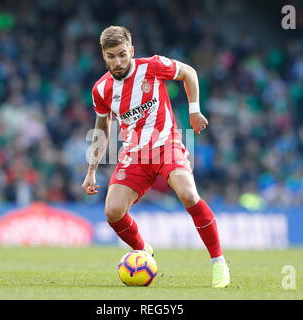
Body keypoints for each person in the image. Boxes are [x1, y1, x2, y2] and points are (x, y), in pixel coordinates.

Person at [81, 26, 230, 288]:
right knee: (113, 212)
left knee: (188, 195)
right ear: (103, 56)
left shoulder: (152, 66)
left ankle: (218, 263)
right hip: (134, 154)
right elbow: (102, 129)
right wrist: (91, 170)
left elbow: (189, 73)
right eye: (111, 56)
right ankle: (143, 250)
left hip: (166, 145)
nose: (118, 62)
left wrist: (194, 111)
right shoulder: (101, 89)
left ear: (132, 51)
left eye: (122, 55)